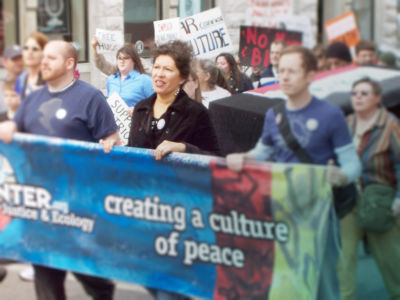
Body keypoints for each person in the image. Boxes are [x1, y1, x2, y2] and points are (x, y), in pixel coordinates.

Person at [226, 45, 361, 300]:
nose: (285, 76)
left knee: (324, 286)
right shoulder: (273, 115)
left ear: (310, 75)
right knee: (285, 283)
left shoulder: (330, 115)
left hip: (320, 214)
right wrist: (242, 158)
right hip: (285, 210)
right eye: (281, 70)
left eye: (293, 71)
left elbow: (353, 164)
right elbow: (262, 154)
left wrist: (341, 176)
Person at [0, 40, 121, 300]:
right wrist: (8, 128)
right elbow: (14, 132)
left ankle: (102, 290)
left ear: (69, 63)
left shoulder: (90, 97)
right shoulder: (32, 99)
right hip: (39, 204)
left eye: (51, 58)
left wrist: (111, 143)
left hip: (78, 204)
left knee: (87, 269)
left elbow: (114, 141)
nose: (43, 62)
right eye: (43, 57)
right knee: (46, 274)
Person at [128, 40, 219, 299]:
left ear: (181, 77)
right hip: (145, 208)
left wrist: (183, 148)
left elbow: (216, 158)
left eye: (167, 69)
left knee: (172, 286)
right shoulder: (141, 108)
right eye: (156, 67)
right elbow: (134, 153)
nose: (159, 74)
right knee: (149, 276)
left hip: (179, 211)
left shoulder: (195, 113)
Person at [338, 77, 400, 300]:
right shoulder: (346, 123)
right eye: (354, 93)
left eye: (364, 93)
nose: (358, 97)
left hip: (379, 201)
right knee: (344, 260)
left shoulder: (390, 124)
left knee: (391, 264)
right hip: (349, 201)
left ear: (377, 98)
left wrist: (399, 198)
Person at [15, 31, 48, 99]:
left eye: (35, 49)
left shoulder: (50, 77)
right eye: (26, 48)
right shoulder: (21, 79)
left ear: (44, 52)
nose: (29, 52)